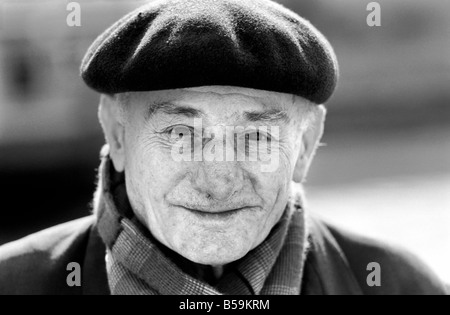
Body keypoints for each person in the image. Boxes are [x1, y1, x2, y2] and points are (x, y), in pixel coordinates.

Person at [0, 0, 447, 295]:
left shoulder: (400, 285)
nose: (216, 181)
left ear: (306, 147)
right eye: (179, 134)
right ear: (117, 135)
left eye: (256, 138)